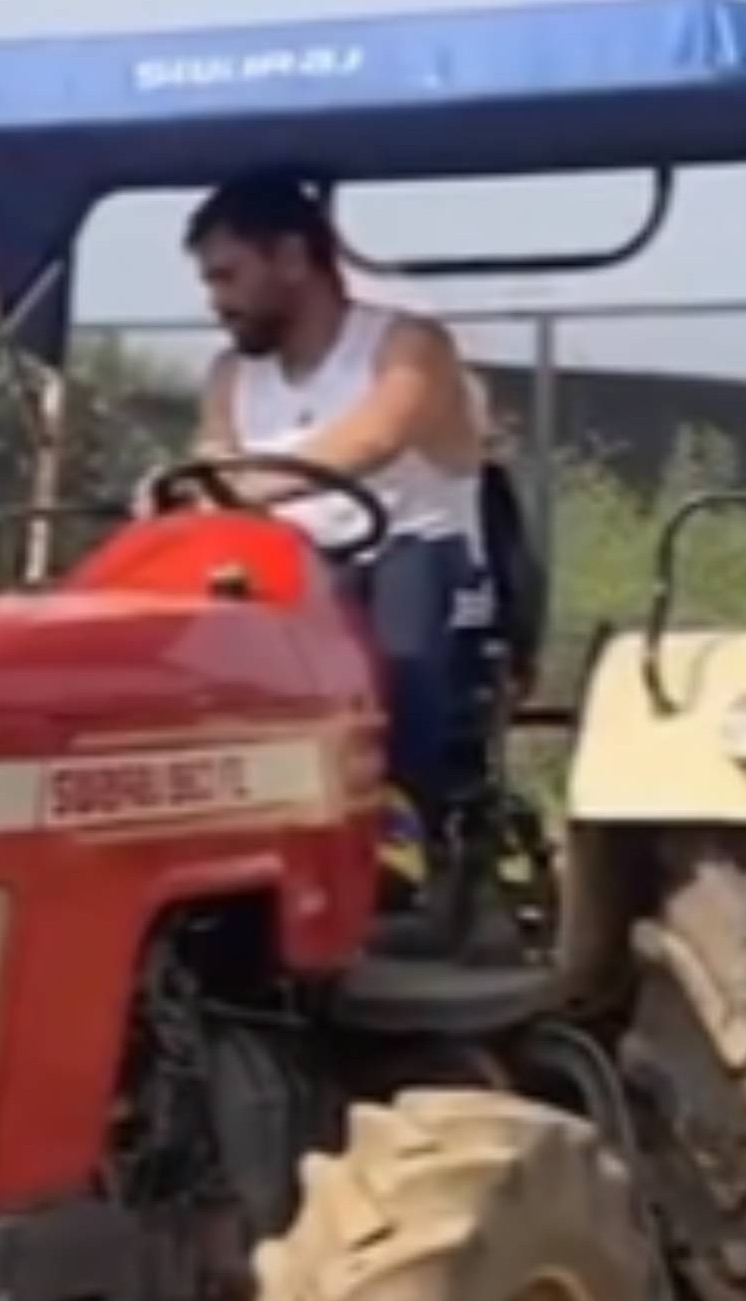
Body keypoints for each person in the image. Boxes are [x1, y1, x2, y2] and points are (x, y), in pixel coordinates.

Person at [182, 170, 499, 932]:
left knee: (384, 649)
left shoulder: (408, 349)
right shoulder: (232, 374)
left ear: (292, 258)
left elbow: (373, 438)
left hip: (414, 556)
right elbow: (209, 467)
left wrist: (239, 488)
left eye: (228, 275)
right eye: (208, 280)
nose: (215, 300)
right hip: (293, 573)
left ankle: (402, 839)